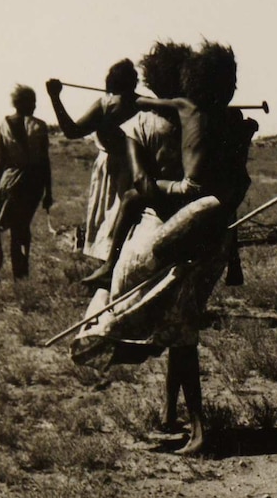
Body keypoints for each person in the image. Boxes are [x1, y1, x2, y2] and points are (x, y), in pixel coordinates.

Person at [71, 41, 257, 455]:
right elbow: (234, 186)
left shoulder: (143, 124)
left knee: (179, 331)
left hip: (166, 234)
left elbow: (142, 188)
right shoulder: (227, 122)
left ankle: (198, 428)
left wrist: (165, 189)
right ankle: (174, 416)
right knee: (180, 325)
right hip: (211, 234)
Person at [81, 41, 249, 288]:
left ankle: (110, 264)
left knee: (130, 198)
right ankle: (234, 264)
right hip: (213, 194)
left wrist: (135, 100)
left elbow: (142, 178)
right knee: (227, 204)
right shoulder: (221, 116)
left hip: (182, 190)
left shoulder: (174, 111)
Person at [45, 60, 140, 261]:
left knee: (109, 221)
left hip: (112, 169)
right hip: (138, 166)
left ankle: (107, 272)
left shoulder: (105, 104)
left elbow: (72, 131)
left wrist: (55, 98)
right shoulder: (143, 103)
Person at [0, 85, 53, 280]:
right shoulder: (39, 126)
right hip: (32, 183)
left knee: (12, 227)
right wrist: (48, 192)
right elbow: (44, 161)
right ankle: (21, 273)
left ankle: (16, 272)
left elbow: (1, 161)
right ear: (26, 103)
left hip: (8, 182)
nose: (35, 105)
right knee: (22, 227)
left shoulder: (4, 124)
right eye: (32, 101)